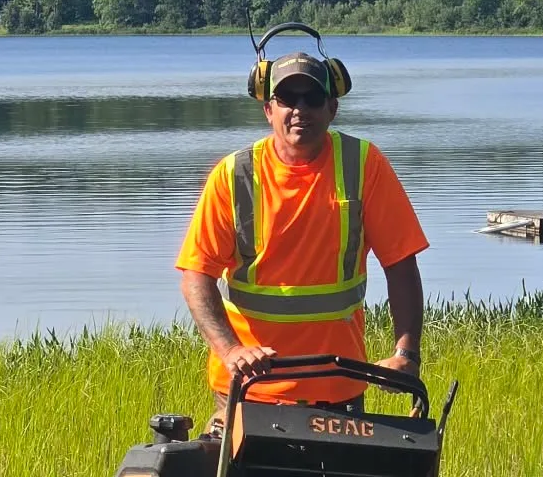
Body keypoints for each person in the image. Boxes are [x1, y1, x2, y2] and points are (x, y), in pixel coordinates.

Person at [176, 34, 430, 426]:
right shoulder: (234, 175)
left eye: (312, 99)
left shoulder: (364, 165)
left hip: (338, 387)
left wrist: (406, 353)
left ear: (332, 108)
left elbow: (400, 263)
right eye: (287, 99)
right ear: (268, 109)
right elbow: (196, 276)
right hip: (248, 389)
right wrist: (230, 351)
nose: (300, 110)